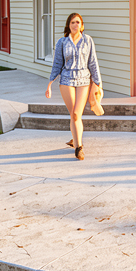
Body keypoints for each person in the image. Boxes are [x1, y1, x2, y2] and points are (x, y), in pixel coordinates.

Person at [45, 12, 102, 160]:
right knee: (73, 114)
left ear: (82, 26)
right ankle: (78, 147)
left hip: (84, 80)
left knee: (77, 114)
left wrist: (97, 82)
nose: (75, 25)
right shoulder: (62, 42)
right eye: (72, 22)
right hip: (67, 80)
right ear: (68, 26)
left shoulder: (88, 40)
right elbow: (57, 64)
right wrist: (50, 84)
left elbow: (93, 62)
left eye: (78, 22)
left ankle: (76, 139)